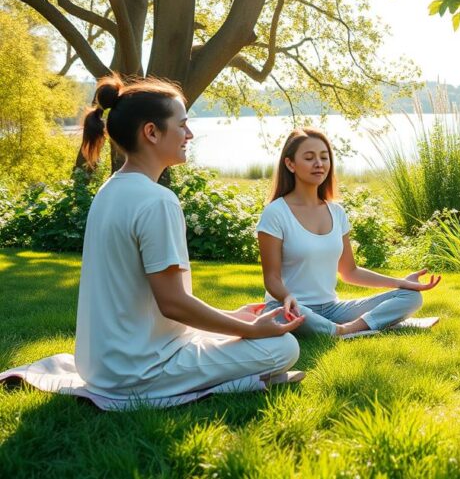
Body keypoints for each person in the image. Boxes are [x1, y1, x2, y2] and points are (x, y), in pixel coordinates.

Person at [75, 76, 304, 400]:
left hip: (102, 367)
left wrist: (234, 317)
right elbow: (173, 304)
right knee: (283, 347)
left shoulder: (109, 190)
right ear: (151, 132)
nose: (189, 134)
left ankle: (236, 370)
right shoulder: (157, 201)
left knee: (247, 334)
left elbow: (162, 303)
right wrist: (251, 329)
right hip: (140, 372)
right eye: (182, 125)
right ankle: (238, 383)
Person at [257, 128, 440, 337]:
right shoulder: (275, 213)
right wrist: (288, 298)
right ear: (290, 164)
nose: (319, 163)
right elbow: (271, 279)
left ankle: (345, 330)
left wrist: (401, 283)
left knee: (411, 297)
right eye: (309, 158)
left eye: (324, 157)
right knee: (288, 314)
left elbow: (349, 271)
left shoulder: (336, 212)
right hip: (290, 307)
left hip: (332, 309)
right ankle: (346, 330)